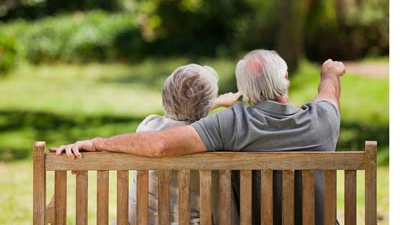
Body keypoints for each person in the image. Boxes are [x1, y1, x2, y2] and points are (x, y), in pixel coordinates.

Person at [53, 49, 346, 225]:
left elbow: (160, 142)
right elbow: (328, 94)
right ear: (285, 80)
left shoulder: (231, 124)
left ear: (244, 88)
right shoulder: (323, 120)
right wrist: (329, 73)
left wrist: (98, 142)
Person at [121, 63, 241, 225]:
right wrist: (214, 104)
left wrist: (211, 103)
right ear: (206, 104)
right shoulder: (212, 139)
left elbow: (178, 117)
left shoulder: (146, 129)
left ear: (166, 97)